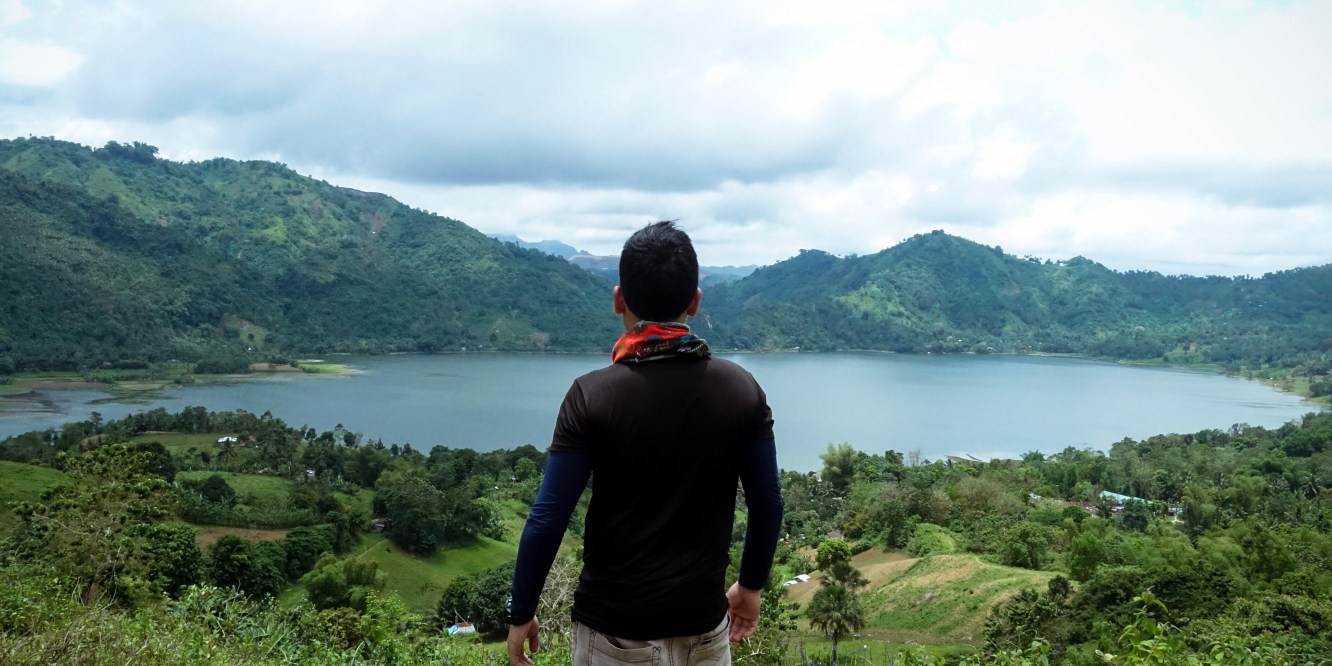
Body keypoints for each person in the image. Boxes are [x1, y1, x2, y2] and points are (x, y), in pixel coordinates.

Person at [506, 221, 783, 665]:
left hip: (612, 634)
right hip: (704, 633)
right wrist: (750, 587)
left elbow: (548, 517)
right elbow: (767, 503)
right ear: (695, 300)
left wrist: (521, 610)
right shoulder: (741, 389)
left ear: (619, 299)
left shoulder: (592, 395)